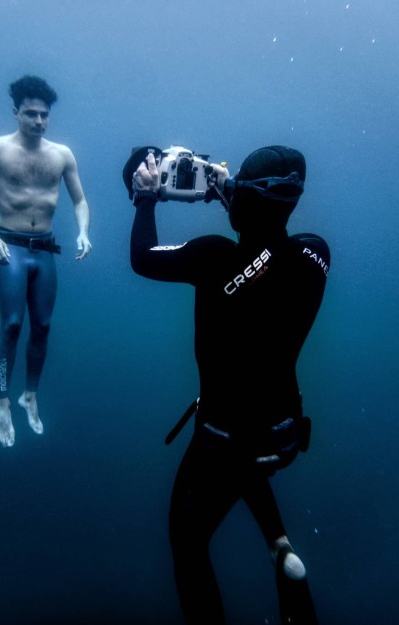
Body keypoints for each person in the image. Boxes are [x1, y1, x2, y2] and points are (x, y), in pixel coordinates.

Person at [129, 146, 329, 624]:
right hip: (279, 433)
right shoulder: (313, 254)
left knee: (186, 539)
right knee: (249, 452)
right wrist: (234, 193)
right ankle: (282, 550)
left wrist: (146, 200)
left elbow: (142, 258)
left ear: (249, 198)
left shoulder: (211, 257)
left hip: (220, 439)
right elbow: (265, 256)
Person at [0, 75, 92, 448]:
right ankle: (2, 403)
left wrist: (83, 231)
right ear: (16, 113)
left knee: (44, 326)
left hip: (45, 250)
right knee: (13, 325)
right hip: (9, 247)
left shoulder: (62, 155)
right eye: (31, 113)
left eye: (44, 115)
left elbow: (79, 200)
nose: (39, 121)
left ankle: (29, 395)